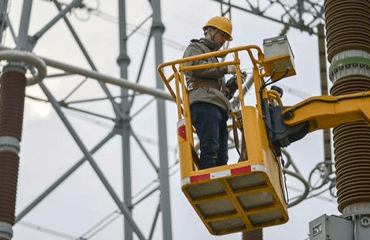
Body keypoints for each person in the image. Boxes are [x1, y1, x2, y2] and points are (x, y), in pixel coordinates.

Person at [183, 16, 241, 169]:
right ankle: (208, 178)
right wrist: (225, 69)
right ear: (210, 31)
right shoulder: (195, 49)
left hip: (216, 106)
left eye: (225, 37)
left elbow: (219, 91)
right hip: (204, 104)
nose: (223, 41)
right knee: (210, 148)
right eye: (222, 35)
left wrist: (232, 85)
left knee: (222, 156)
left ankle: (218, 183)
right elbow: (193, 67)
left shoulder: (213, 58)